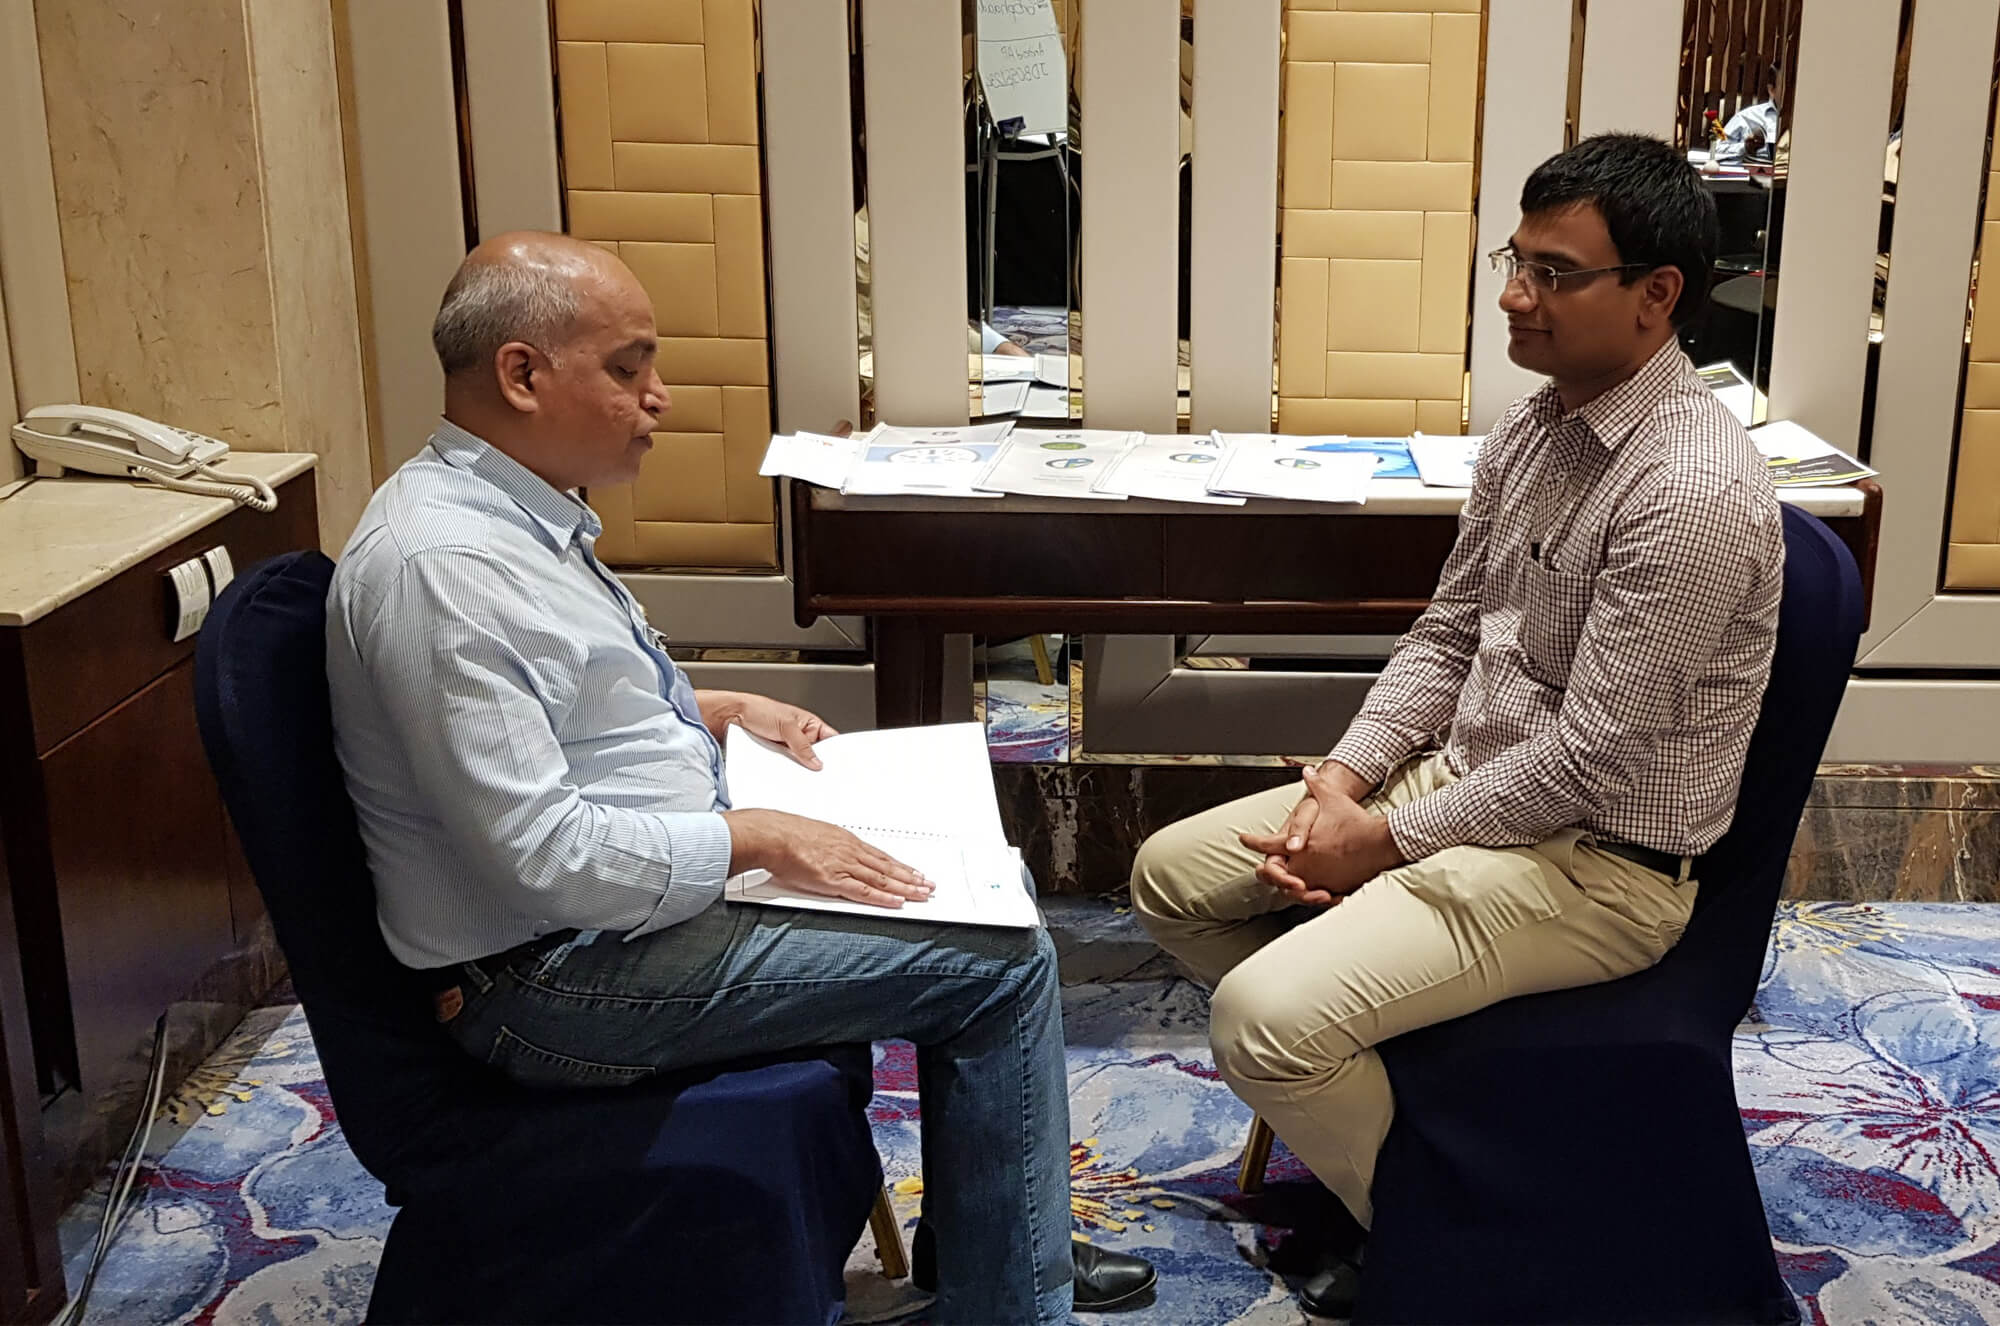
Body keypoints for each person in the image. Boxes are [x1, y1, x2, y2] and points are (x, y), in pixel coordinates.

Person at [325, 232, 1154, 1323]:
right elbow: (540, 857)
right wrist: (756, 838)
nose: (658, 398)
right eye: (627, 367)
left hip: (604, 925)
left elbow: (568, 708)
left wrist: (712, 710)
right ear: (521, 375)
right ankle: (1009, 1299)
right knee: (998, 964)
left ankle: (994, 1244)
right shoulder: (444, 566)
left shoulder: (507, 514)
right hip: (550, 981)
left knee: (982, 892)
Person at [1131, 133, 1781, 1319]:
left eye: (1552, 274)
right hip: (1461, 789)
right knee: (1170, 876)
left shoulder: (1688, 489)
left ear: (1655, 295)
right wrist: (1344, 782)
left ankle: (1456, 1247)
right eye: (1514, 261)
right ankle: (1424, 1127)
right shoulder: (1540, 425)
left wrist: (1375, 844)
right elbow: (1445, 634)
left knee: (1263, 1022)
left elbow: (1587, 759)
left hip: (1596, 867)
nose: (1512, 297)